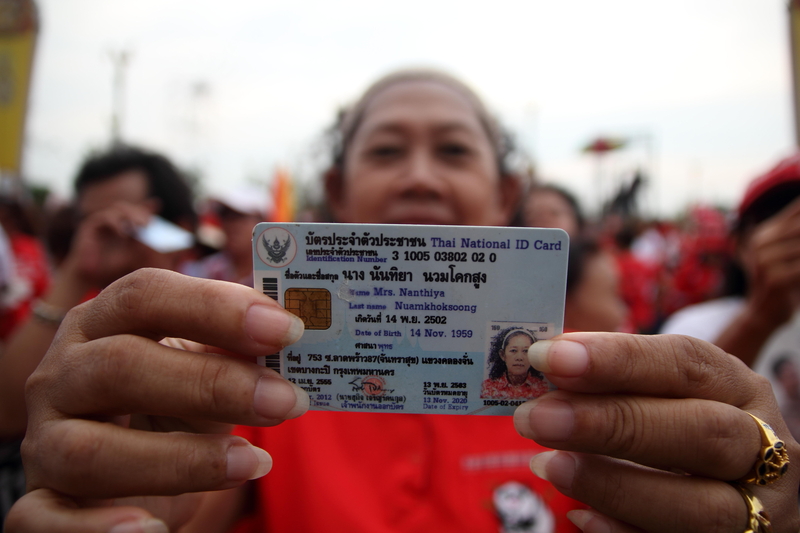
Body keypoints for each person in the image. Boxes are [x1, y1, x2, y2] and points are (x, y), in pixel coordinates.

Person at [6, 70, 800, 533]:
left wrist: (755, 489)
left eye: (453, 149)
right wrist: (127, 486)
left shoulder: (587, 370)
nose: (420, 174)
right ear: (341, 189)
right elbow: (193, 491)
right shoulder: (248, 368)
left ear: (506, 192)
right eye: (387, 149)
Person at [0, 144, 197, 440]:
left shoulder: (213, 306)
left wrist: (156, 272)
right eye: (89, 220)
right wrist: (77, 272)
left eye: (124, 220)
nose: (102, 230)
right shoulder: (76, 302)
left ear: (175, 227)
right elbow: (7, 414)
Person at [183, 186, 272, 287]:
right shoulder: (204, 271)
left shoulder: (277, 273)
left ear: (262, 222)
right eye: (225, 215)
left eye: (240, 217)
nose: (232, 225)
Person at [481, 326, 550, 399]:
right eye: (513, 351)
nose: (519, 358)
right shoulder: (488, 387)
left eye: (526, 351)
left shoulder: (544, 388)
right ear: (503, 355)